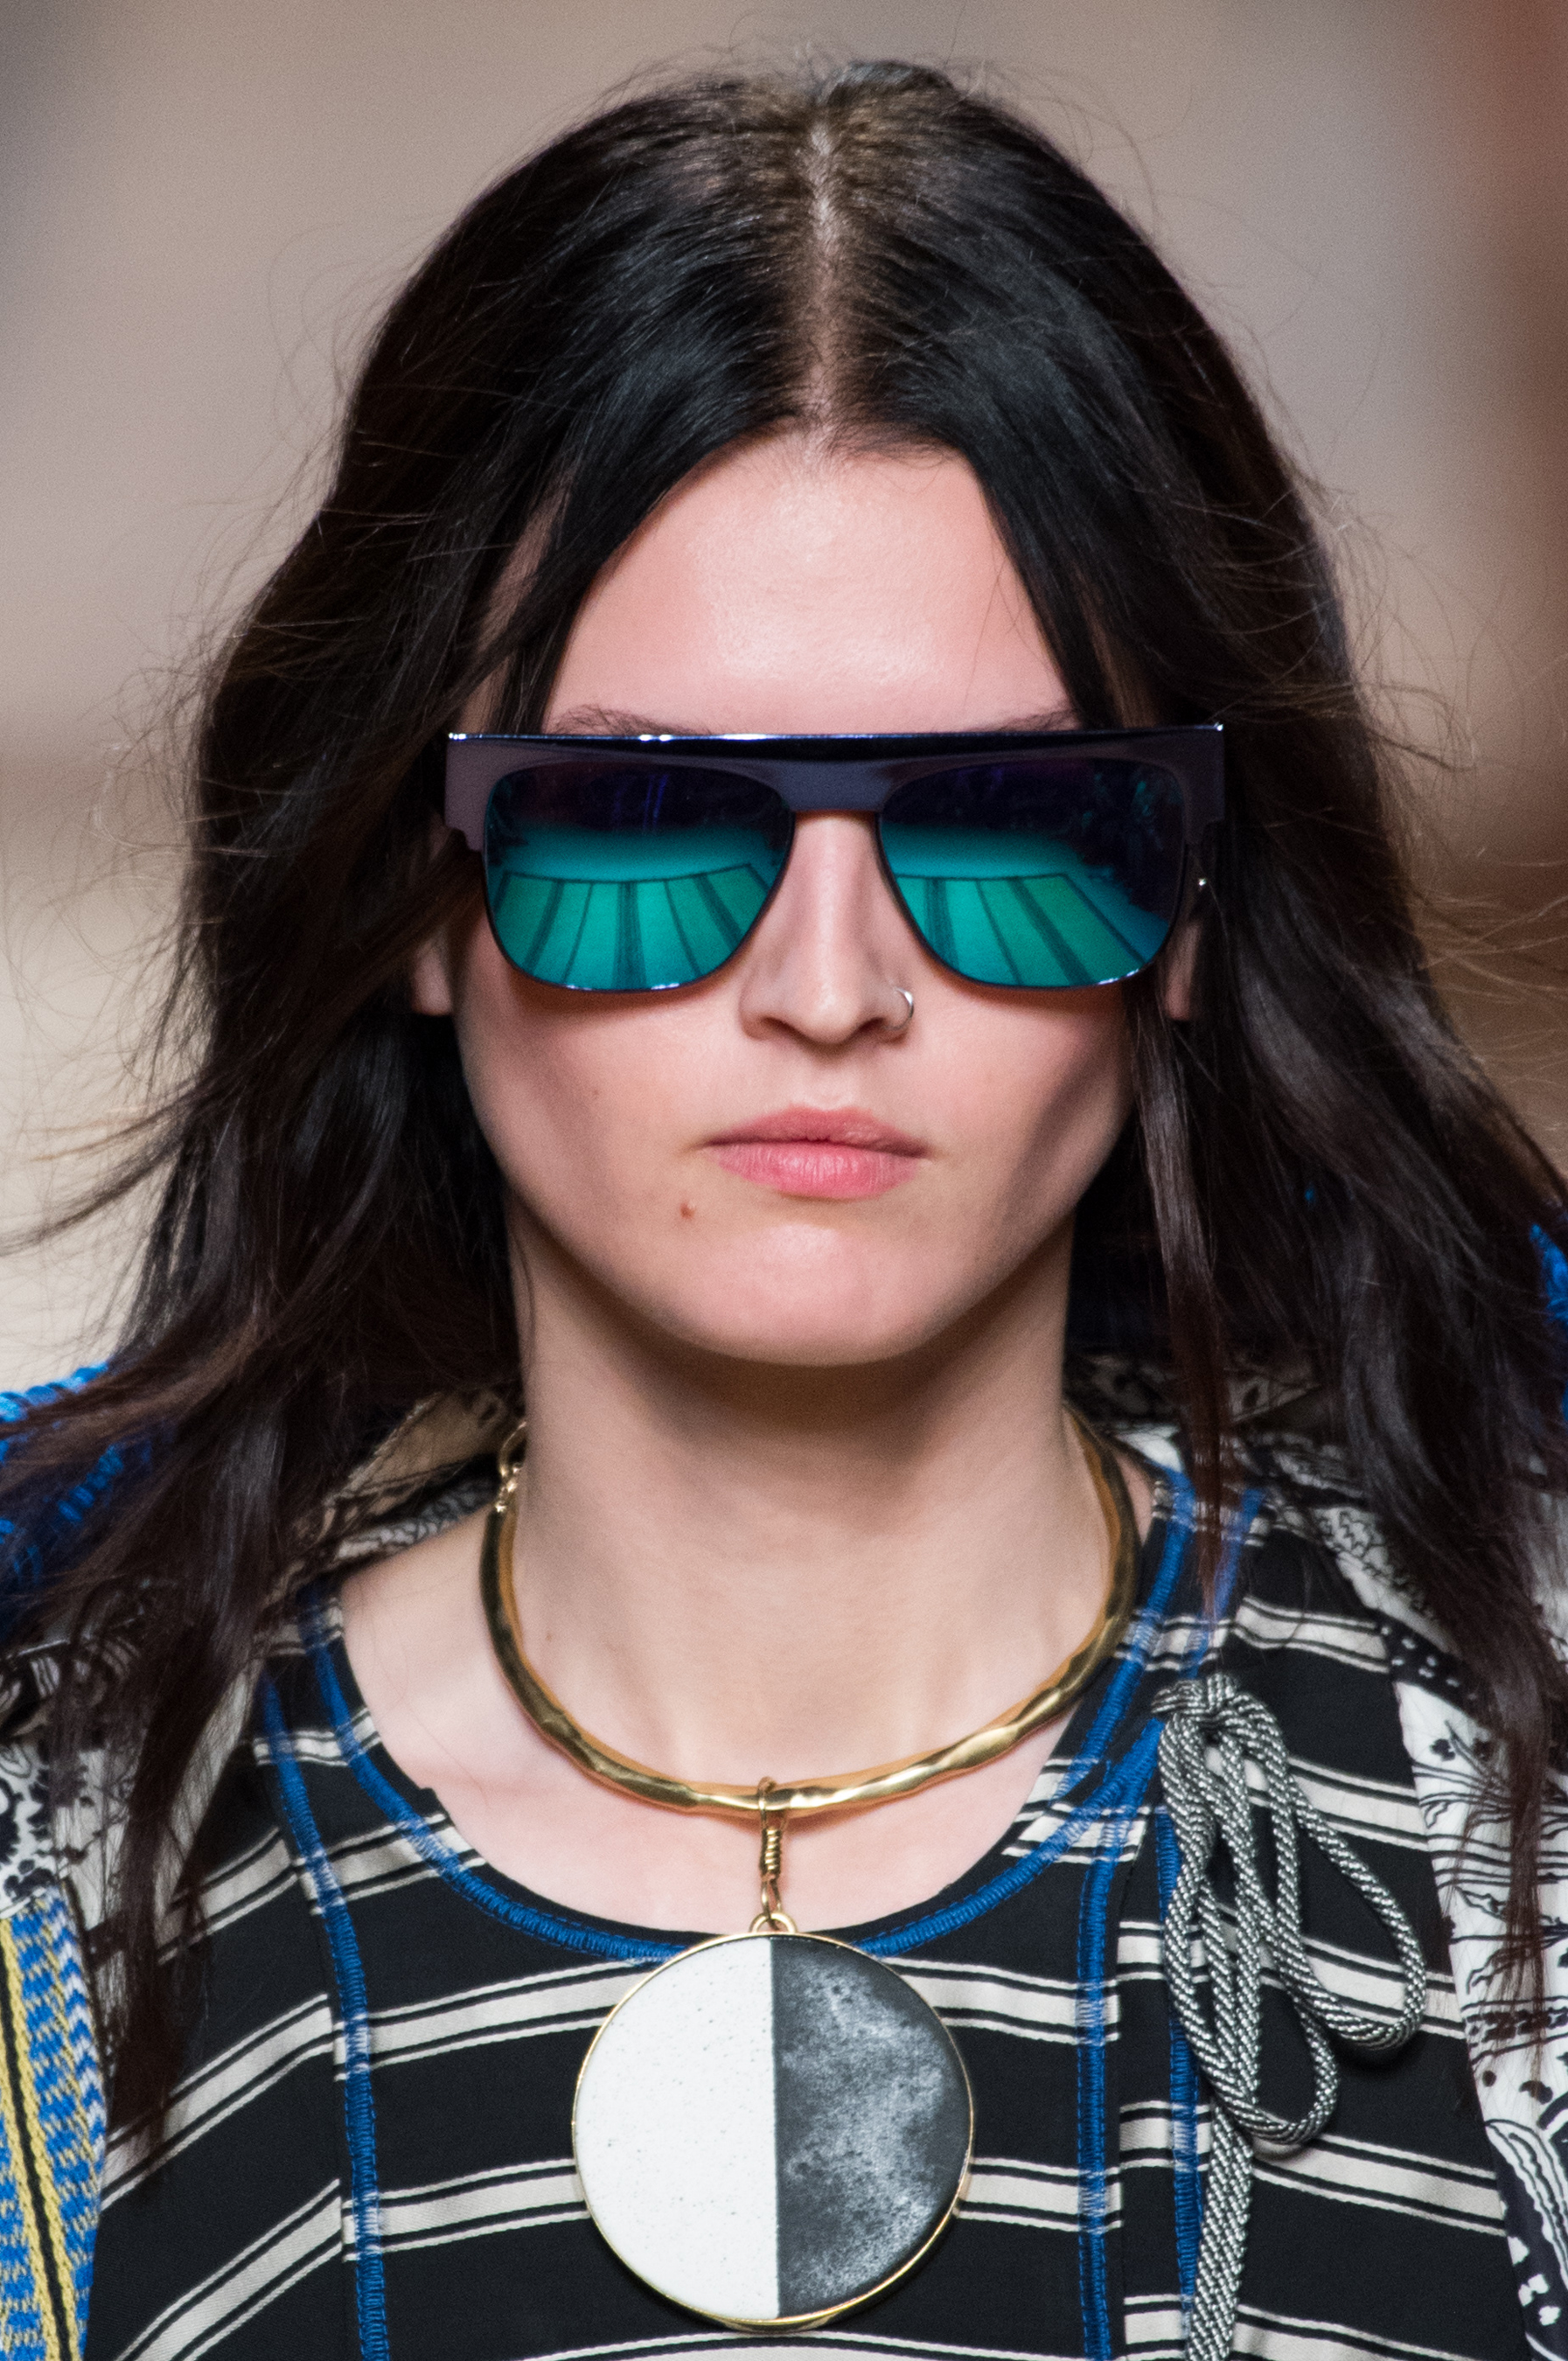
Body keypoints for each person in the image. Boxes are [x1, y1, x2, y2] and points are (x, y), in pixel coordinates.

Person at [1, 56, 1565, 2361]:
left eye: (1007, 829)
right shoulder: (57, 1876)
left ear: (1188, 902)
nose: (827, 988)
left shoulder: (1523, 1797)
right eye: (644, 826)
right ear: (417, 890)